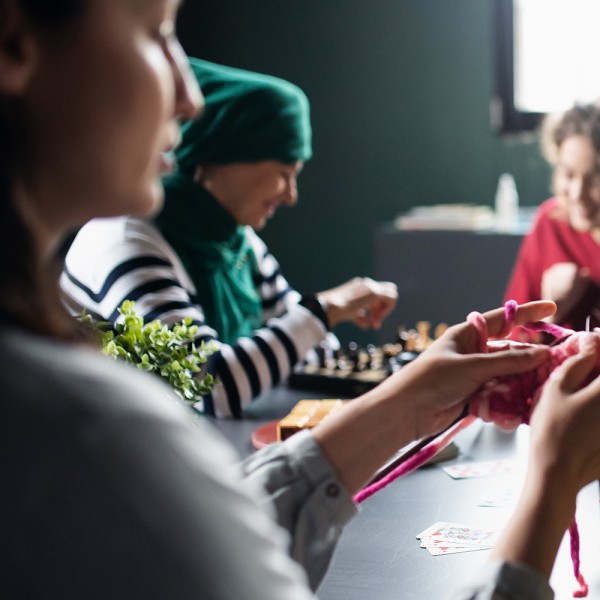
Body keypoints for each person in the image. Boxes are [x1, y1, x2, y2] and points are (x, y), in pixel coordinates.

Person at [2, 1, 599, 598]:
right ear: (13, 42)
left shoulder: (226, 253)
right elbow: (219, 381)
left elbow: (231, 539)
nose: (188, 96)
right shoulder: (83, 428)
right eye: (155, 33)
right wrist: (551, 483)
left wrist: (408, 399)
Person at [60, 57, 398, 418]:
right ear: (225, 156)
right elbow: (205, 386)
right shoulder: (126, 240)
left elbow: (305, 349)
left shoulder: (238, 240)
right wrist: (327, 309)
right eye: (284, 172)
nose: (290, 195)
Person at [505, 101, 600, 332]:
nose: (578, 194)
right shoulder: (549, 224)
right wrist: (550, 310)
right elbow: (510, 336)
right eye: (568, 174)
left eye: (596, 177)